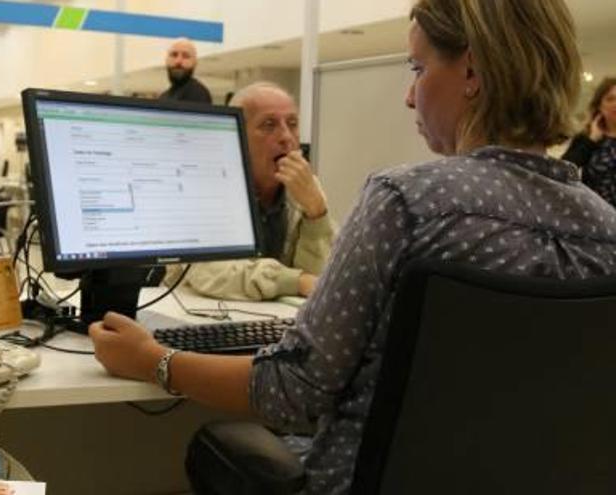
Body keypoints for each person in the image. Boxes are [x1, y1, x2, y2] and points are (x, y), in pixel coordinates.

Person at [89, 0, 616, 493]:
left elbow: (295, 390)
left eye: (417, 69)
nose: (410, 95)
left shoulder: (407, 200)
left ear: (472, 72)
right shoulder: (606, 227)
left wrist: (155, 360)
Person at [165, 82, 336, 301]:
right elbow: (212, 273)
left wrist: (316, 213)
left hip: (272, 320)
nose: (286, 137)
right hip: (197, 318)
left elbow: (319, 282)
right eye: (269, 125)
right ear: (236, 134)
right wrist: (294, 281)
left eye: (292, 124)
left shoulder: (305, 189)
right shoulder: (205, 187)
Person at [562, 77, 616, 206]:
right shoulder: (586, 138)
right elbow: (563, 171)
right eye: (610, 99)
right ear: (599, 106)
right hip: (595, 215)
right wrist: (591, 141)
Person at [159, 38, 212, 104]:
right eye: (174, 55)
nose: (178, 61)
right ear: (166, 61)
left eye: (186, 56)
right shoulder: (163, 97)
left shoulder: (198, 93)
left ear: (194, 63)